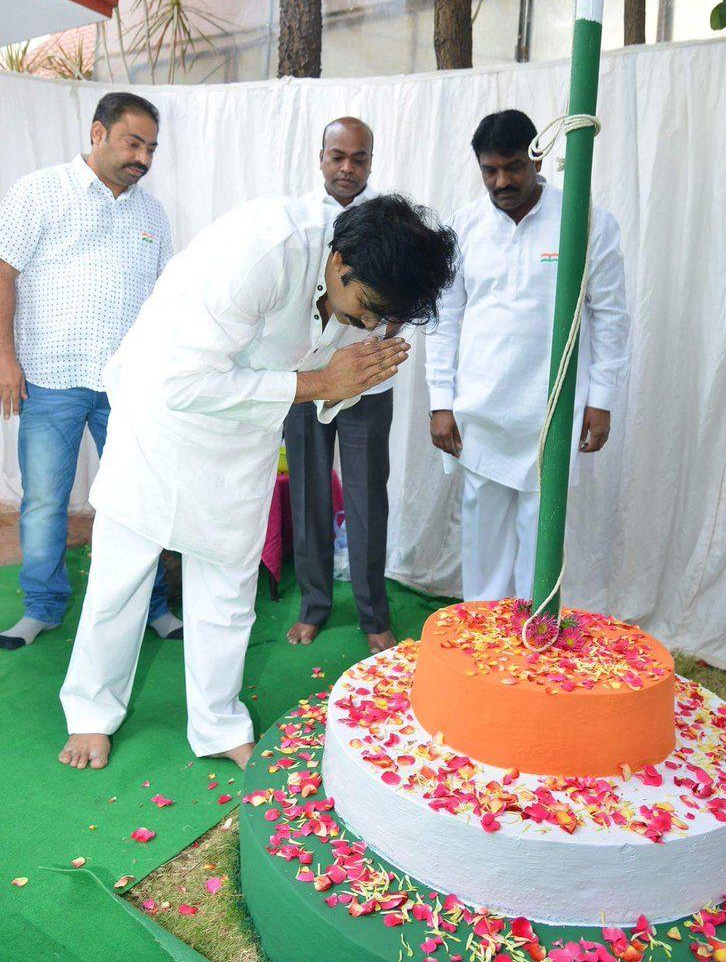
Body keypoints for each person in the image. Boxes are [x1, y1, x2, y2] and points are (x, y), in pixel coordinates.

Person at [58, 193, 458, 772]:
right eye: (367, 307)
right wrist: (318, 383)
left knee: (228, 580)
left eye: (383, 316)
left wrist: (346, 381)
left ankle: (217, 723)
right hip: (161, 415)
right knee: (124, 573)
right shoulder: (262, 251)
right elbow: (182, 383)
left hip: (243, 430)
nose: (370, 325)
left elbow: (336, 377)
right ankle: (92, 713)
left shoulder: (374, 286)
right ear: (340, 260)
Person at [425, 109, 629, 602]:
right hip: (480, 413)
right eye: (489, 171)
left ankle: (533, 645)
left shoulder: (584, 221)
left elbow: (610, 317)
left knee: (541, 547)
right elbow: (443, 318)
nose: (501, 181)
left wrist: (600, 400)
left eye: (513, 166)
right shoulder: (462, 227)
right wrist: (440, 401)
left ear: (537, 159)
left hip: (552, 413)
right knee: (482, 549)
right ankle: (483, 646)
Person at [0, 93, 180, 651]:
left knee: (135, 502)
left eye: (151, 147)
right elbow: (3, 275)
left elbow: (162, 300)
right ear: (97, 132)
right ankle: (43, 607)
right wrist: (4, 358)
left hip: (127, 388)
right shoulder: (37, 192)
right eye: (133, 142)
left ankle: (151, 606)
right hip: (48, 377)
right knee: (46, 501)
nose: (143, 158)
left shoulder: (152, 213)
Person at [284, 117, 397, 655]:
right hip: (306, 378)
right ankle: (314, 606)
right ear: (320, 156)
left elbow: (410, 297)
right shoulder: (299, 221)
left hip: (367, 384)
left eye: (359, 158)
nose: (347, 168)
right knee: (307, 493)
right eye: (337, 157)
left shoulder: (390, 220)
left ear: (371, 160)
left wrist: (391, 322)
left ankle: (374, 615)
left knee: (366, 496)